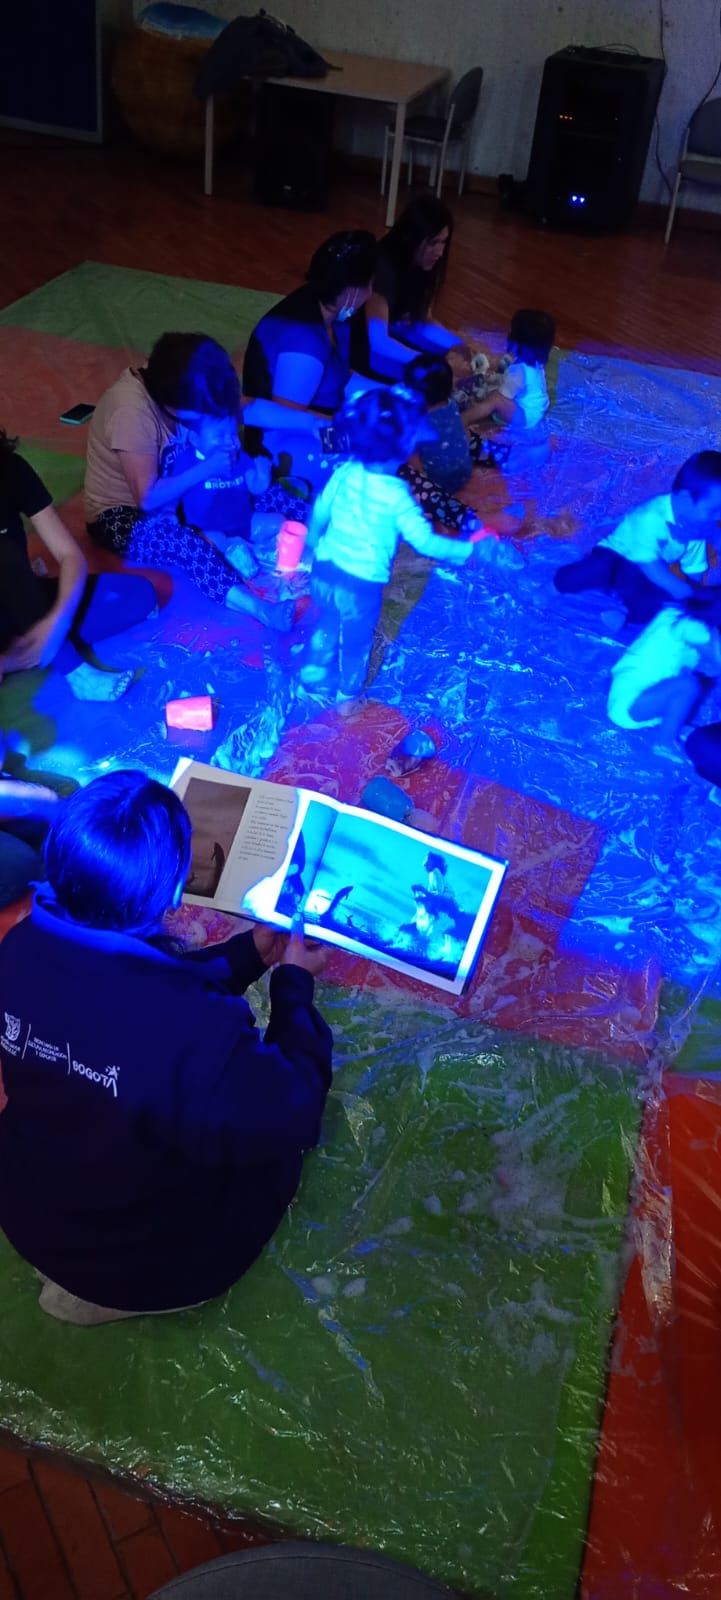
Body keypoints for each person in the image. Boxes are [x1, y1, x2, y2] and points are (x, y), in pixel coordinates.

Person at [0, 770, 332, 1326]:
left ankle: (71, 1278)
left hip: (30, 1213)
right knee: (274, 1159)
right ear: (175, 890)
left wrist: (248, 954)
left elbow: (140, 985)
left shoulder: (19, 947)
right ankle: (96, 1296)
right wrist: (293, 987)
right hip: (144, 1269)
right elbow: (293, 1109)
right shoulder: (197, 1029)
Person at [85, 333, 293, 630]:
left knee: (259, 487)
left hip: (185, 490)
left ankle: (324, 522)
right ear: (175, 403)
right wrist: (208, 469)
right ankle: (260, 609)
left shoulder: (187, 384)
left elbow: (247, 408)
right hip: (124, 513)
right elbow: (147, 499)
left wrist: (316, 424)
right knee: (186, 544)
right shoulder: (131, 411)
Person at [300, 387, 476, 711]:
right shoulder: (397, 495)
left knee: (327, 618)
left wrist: (309, 546)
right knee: (356, 644)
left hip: (323, 571)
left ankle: (313, 668)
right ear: (406, 447)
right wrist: (467, 551)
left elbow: (320, 511)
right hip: (359, 586)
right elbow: (424, 542)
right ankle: (347, 699)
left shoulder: (345, 472)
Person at [0, 429, 156, 700]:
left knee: (138, 595)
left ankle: (26, 652)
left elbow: (69, 556)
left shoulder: (10, 468)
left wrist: (56, 622)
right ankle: (76, 672)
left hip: (20, 606)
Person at [242, 231, 378, 488]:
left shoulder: (328, 311)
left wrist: (393, 394)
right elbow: (287, 419)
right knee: (375, 468)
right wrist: (350, 433)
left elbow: (340, 376)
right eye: (369, 285)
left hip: (313, 426)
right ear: (350, 290)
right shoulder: (304, 341)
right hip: (277, 444)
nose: (371, 293)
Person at [554, 452, 721, 626]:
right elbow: (648, 564)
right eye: (713, 511)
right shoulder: (650, 517)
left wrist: (696, 594)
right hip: (618, 557)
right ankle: (554, 586)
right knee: (596, 569)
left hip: (647, 571)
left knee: (666, 603)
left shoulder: (698, 529)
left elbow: (693, 569)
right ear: (685, 498)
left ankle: (624, 615)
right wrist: (680, 589)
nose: (718, 517)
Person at [352, 197, 476, 381]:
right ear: (411, 238)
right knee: (437, 381)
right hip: (365, 351)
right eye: (433, 243)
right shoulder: (383, 270)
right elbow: (378, 342)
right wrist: (436, 364)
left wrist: (458, 345)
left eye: (443, 242)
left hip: (394, 337)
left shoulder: (421, 266)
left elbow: (422, 319)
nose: (440, 252)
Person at [607, 598, 721, 754]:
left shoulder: (674, 615)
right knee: (689, 685)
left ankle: (669, 725)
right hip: (630, 704)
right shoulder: (691, 627)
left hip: (640, 695)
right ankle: (665, 742)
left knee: (693, 682)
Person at [456, 309, 554, 434]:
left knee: (495, 398)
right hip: (537, 408)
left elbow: (501, 393)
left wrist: (489, 385)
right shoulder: (536, 358)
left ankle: (463, 419)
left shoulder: (519, 372)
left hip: (525, 418)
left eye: (511, 331)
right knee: (501, 377)